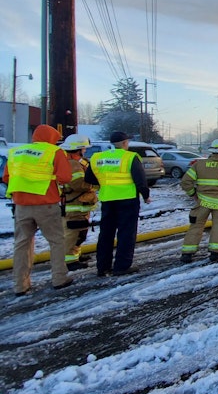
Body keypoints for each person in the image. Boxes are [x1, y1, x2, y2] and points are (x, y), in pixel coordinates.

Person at [2, 124, 74, 295]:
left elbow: (6, 177)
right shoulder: (53, 152)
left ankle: (20, 285)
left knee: (22, 244)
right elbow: (65, 177)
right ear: (51, 138)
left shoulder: (16, 152)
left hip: (21, 205)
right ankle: (59, 278)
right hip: (46, 204)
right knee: (56, 241)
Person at [85, 131, 151, 277]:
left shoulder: (98, 157)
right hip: (127, 200)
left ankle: (102, 267)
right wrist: (145, 195)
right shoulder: (130, 157)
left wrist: (105, 184)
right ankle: (122, 266)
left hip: (108, 199)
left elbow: (89, 177)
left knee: (106, 234)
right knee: (126, 233)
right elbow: (140, 179)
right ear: (124, 143)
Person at [59, 134, 98, 271]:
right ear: (78, 149)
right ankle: (70, 261)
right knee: (72, 234)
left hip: (80, 205)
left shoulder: (77, 162)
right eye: (84, 149)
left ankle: (75, 255)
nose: (85, 151)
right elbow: (78, 184)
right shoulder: (73, 164)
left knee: (80, 233)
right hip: (74, 205)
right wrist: (95, 185)